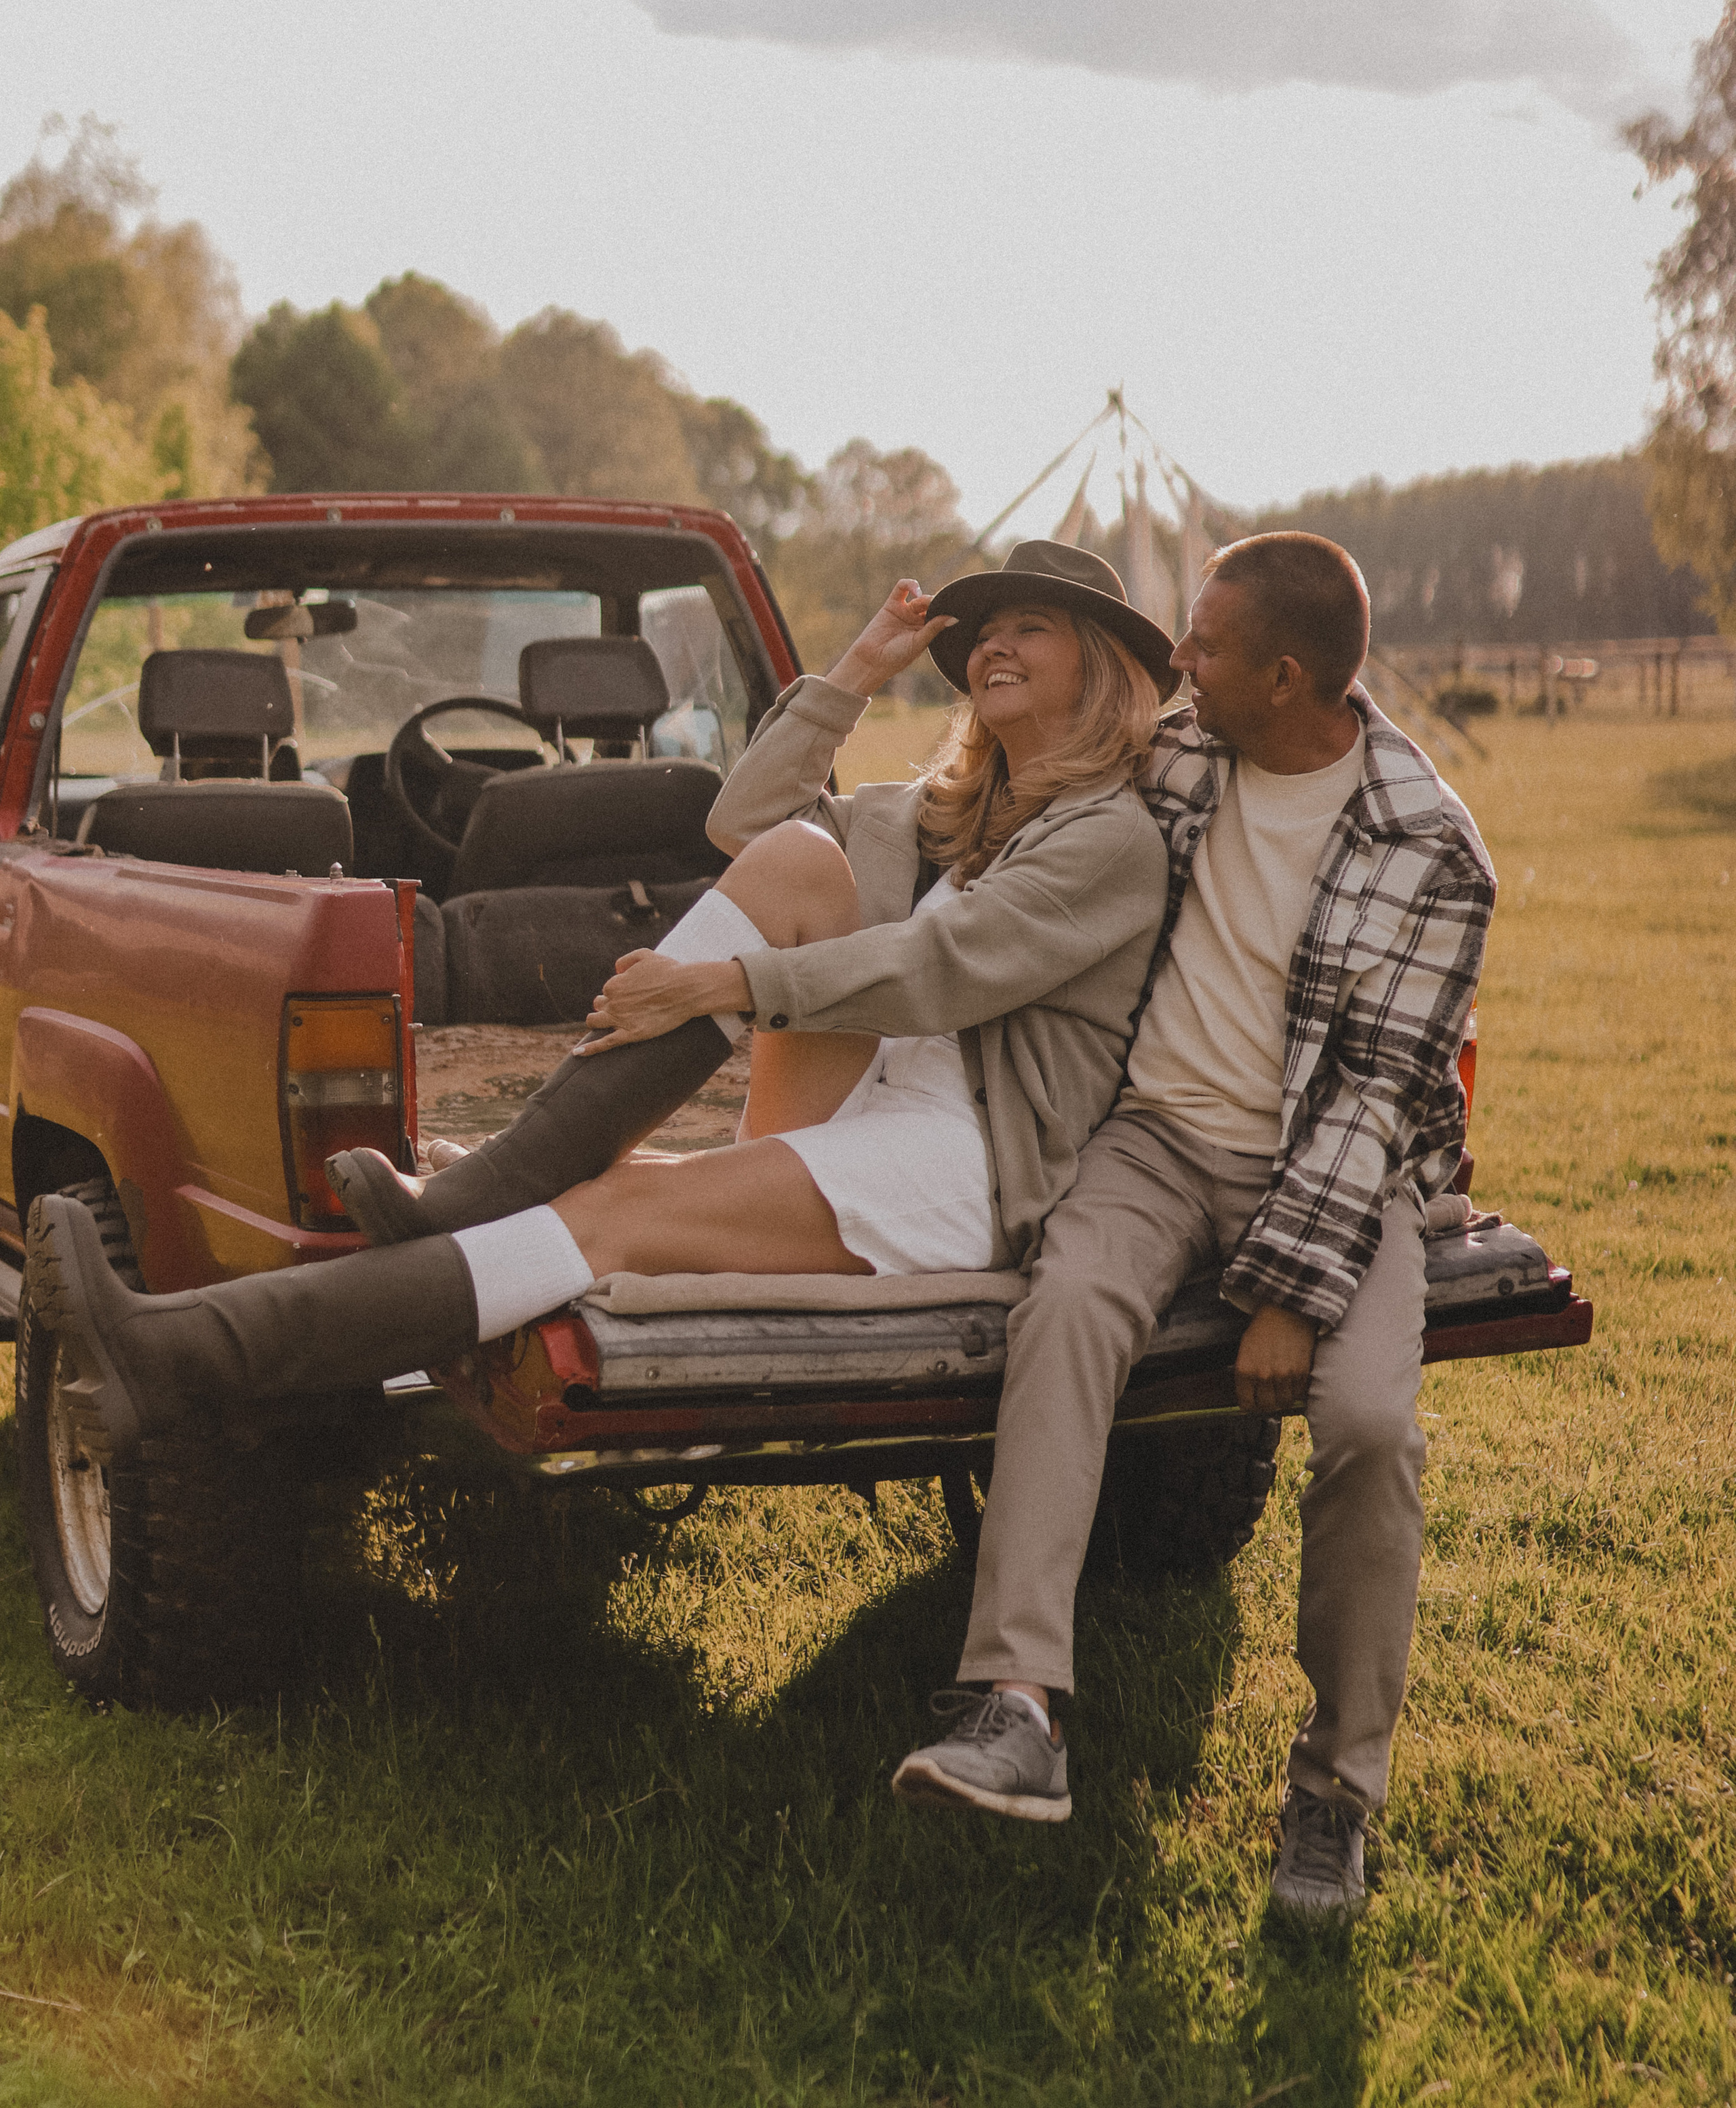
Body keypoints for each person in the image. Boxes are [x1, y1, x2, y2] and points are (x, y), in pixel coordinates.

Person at [29, 542, 1179, 1473]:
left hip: (969, 1168)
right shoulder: (954, 812)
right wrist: (860, 670)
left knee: (615, 1215)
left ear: (1102, 667)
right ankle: (485, 1190)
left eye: (1033, 628)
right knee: (793, 859)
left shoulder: (1109, 839)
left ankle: (184, 1357)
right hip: (875, 1111)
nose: (994, 646)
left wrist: (722, 983)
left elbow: (948, 971)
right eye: (985, 631)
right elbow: (742, 821)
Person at [891, 533, 1496, 1914]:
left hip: (1335, 1171)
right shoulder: (1179, 753)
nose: (1178, 665)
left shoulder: (1428, 844)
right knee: (1066, 1308)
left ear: (1285, 677)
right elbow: (1010, 787)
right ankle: (1016, 1706)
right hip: (1153, 1140)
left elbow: (1375, 1096)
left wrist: (1284, 1289)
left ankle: (1335, 1793)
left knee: (1363, 1426)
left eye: (1206, 648)